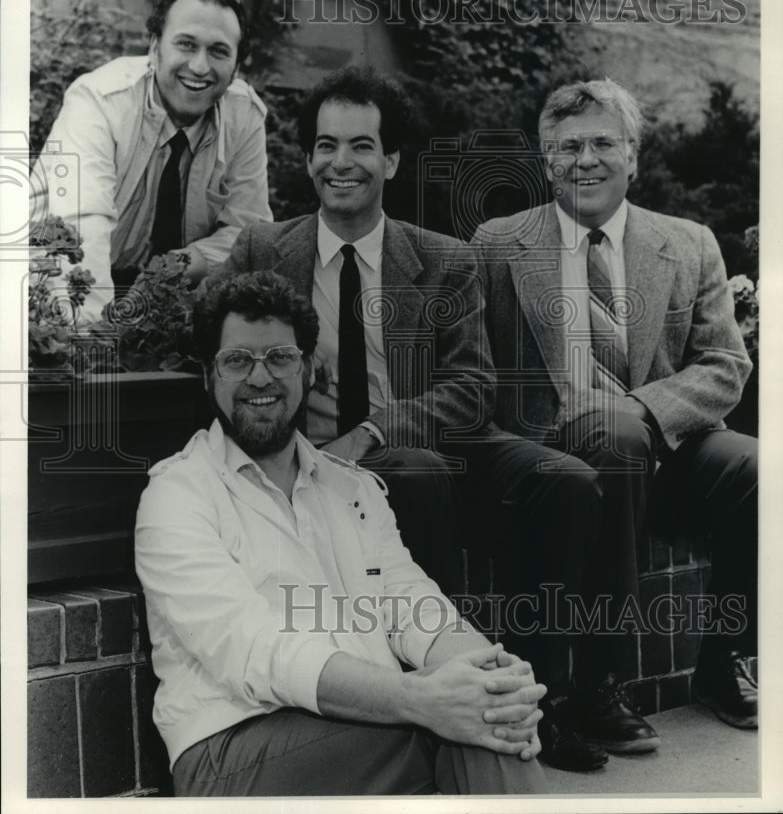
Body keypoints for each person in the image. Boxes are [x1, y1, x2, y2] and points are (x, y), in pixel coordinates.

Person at [135, 270, 549, 796]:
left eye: (280, 357)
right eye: (237, 360)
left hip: (367, 726)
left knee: (484, 715)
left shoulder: (352, 488)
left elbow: (411, 603)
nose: (259, 378)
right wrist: (424, 700)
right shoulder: (178, 496)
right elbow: (257, 652)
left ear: (310, 369)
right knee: (462, 730)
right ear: (209, 376)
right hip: (232, 750)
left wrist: (486, 675)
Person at [219, 67, 596, 622]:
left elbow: (471, 389)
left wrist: (372, 433)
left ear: (391, 162)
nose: (340, 162)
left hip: (428, 447)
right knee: (417, 474)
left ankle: (545, 687)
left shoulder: (444, 259)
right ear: (306, 160)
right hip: (316, 460)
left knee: (568, 482)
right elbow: (206, 341)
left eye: (361, 146)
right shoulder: (263, 249)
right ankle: (437, 670)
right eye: (326, 146)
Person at [473, 78, 758, 764]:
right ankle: (598, 685)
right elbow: (472, 366)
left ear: (632, 155)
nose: (585, 159)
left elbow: (725, 365)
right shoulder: (500, 243)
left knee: (759, 468)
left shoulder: (687, 244)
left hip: (663, 448)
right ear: (546, 163)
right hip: (562, 459)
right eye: (567, 147)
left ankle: (721, 658)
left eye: (603, 142)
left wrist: (643, 409)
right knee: (613, 436)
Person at [32, 0, 272, 321]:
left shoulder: (244, 115)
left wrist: (183, 264)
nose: (200, 67)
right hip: (56, 284)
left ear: (236, 68)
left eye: (218, 51)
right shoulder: (99, 101)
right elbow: (81, 229)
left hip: (161, 293)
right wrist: (97, 339)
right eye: (186, 45)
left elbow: (250, 236)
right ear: (154, 46)